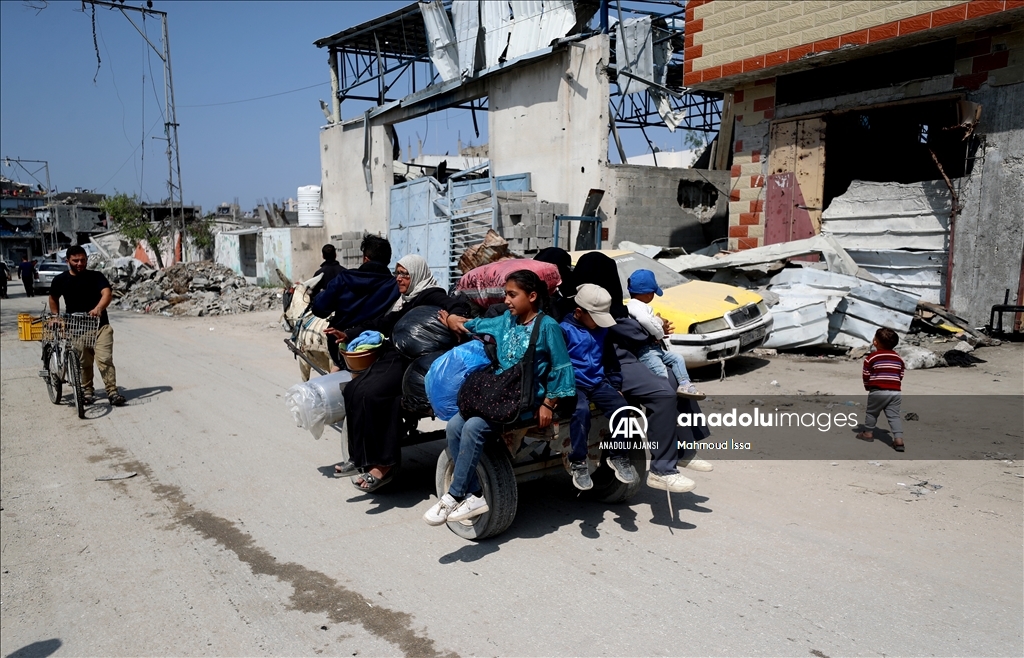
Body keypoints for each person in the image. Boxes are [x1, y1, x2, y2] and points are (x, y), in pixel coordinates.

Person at [425, 269, 576, 525]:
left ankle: (454, 495)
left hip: (525, 401)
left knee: (473, 427)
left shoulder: (547, 326)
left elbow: (562, 368)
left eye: (512, 295)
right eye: (506, 294)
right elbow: (473, 324)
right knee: (453, 426)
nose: (506, 300)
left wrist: (549, 404)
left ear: (532, 296)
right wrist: (452, 318)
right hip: (499, 397)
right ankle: (474, 494)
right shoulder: (506, 320)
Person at [574, 252, 713, 493]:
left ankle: (683, 450)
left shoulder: (611, 304)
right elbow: (627, 332)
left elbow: (632, 327)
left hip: (624, 358)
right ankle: (664, 468)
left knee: (675, 380)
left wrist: (651, 326)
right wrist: (650, 330)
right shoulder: (582, 308)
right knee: (664, 391)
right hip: (611, 364)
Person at [334, 254, 468, 490]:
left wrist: (455, 316)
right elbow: (383, 323)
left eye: (404, 273)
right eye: (397, 273)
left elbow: (452, 303)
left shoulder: (430, 294)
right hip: (393, 355)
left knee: (374, 394)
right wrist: (350, 333)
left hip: (411, 361)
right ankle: (358, 459)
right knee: (353, 389)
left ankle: (383, 465)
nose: (399, 278)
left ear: (416, 274)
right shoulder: (407, 301)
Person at [560, 283, 637, 490]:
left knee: (622, 408)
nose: (599, 323)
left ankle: (618, 456)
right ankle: (578, 462)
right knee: (581, 411)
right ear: (578, 312)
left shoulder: (602, 331)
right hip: (573, 386)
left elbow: (611, 360)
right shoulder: (564, 331)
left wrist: (615, 385)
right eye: (595, 318)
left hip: (597, 383)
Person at [48, 245, 125, 406]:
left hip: (100, 326)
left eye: (83, 260)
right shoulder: (60, 280)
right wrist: (55, 316)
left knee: (104, 359)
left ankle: (112, 392)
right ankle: (87, 391)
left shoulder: (96, 277)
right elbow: (53, 298)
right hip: (76, 328)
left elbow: (107, 293)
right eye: (75, 260)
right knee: (83, 362)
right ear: (68, 260)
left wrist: (98, 308)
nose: (79, 263)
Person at [311, 235, 400, 372]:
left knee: (335, 373)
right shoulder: (395, 285)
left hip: (342, 346)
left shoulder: (344, 279)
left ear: (365, 258)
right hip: (375, 346)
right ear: (388, 260)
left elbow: (319, 309)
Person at [626, 269, 705, 399]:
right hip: (647, 351)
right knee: (660, 372)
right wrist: (659, 333)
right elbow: (646, 320)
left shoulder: (639, 305)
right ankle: (662, 395)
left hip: (655, 349)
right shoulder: (635, 306)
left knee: (677, 358)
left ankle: (684, 384)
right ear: (647, 294)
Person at [857, 327, 906, 451]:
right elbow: (900, 374)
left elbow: (866, 375)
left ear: (875, 342)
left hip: (878, 390)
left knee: (872, 412)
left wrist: (868, 386)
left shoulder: (871, 358)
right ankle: (898, 440)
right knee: (894, 416)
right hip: (895, 391)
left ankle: (868, 433)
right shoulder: (898, 358)